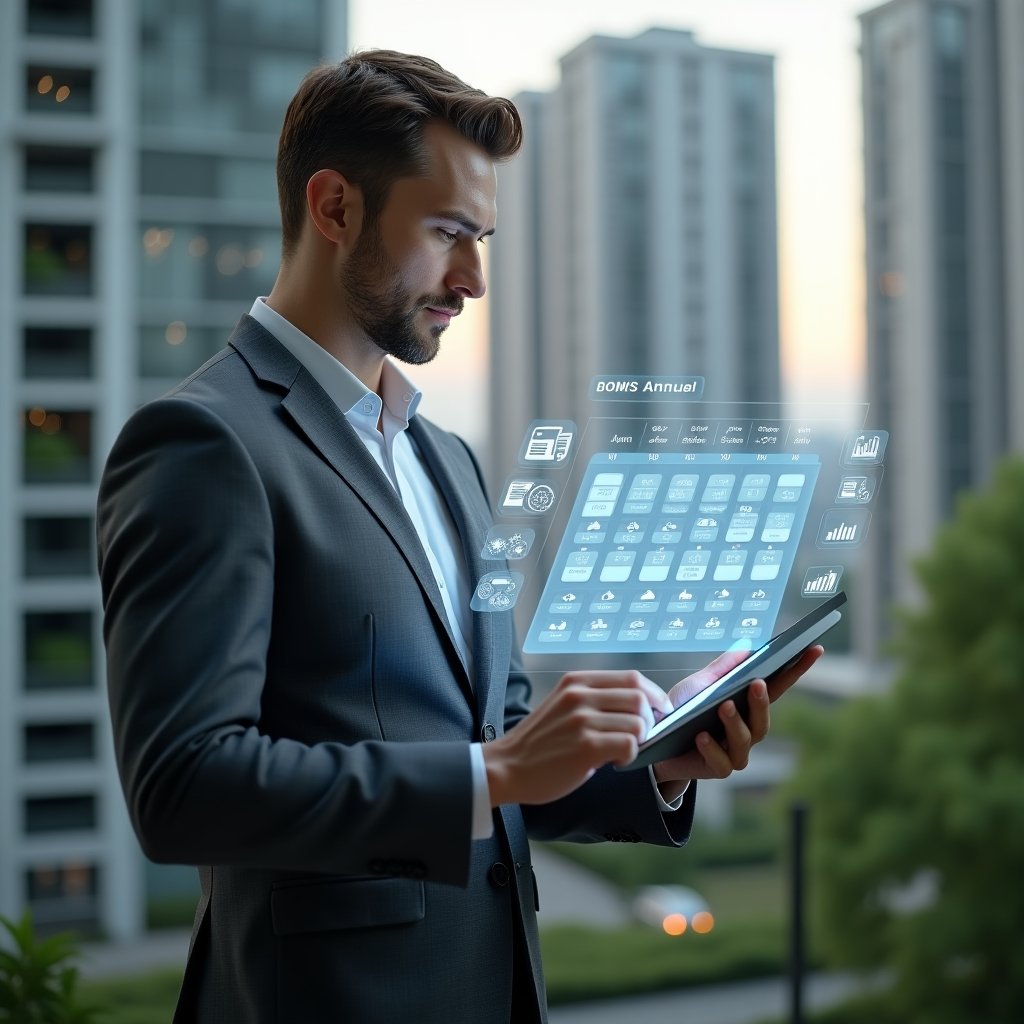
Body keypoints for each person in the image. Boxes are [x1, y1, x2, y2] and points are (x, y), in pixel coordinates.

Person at [97, 50, 822, 1024]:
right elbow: (184, 785)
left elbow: (497, 745)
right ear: (334, 207)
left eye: (480, 237)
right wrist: (497, 771)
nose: (473, 278)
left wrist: (653, 760)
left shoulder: (448, 460)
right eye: (446, 233)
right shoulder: (204, 444)